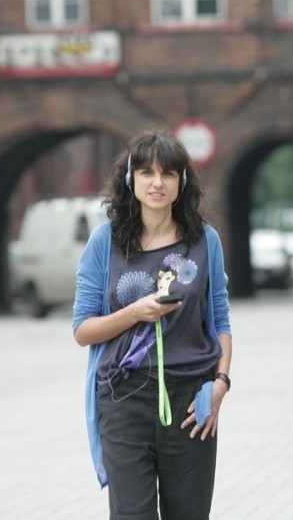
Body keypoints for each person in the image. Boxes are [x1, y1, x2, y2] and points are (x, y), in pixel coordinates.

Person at [73, 128, 233, 520]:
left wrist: (220, 384)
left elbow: (221, 320)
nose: (157, 183)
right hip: (124, 397)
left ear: (182, 182)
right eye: (146, 173)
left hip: (191, 398)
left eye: (168, 174)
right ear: (131, 179)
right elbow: (82, 330)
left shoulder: (204, 240)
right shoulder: (104, 242)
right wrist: (134, 313)